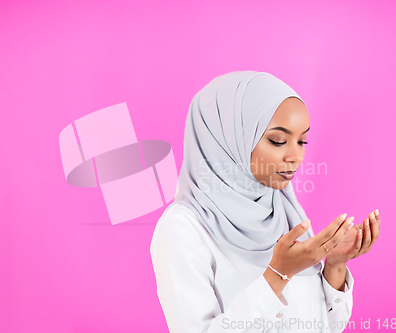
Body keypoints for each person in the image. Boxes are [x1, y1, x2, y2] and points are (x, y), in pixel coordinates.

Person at [150, 71, 381, 333]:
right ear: (229, 138)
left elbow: (322, 327)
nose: (296, 156)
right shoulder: (182, 228)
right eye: (278, 140)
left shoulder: (285, 211)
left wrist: (335, 265)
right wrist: (277, 274)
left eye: (302, 140)